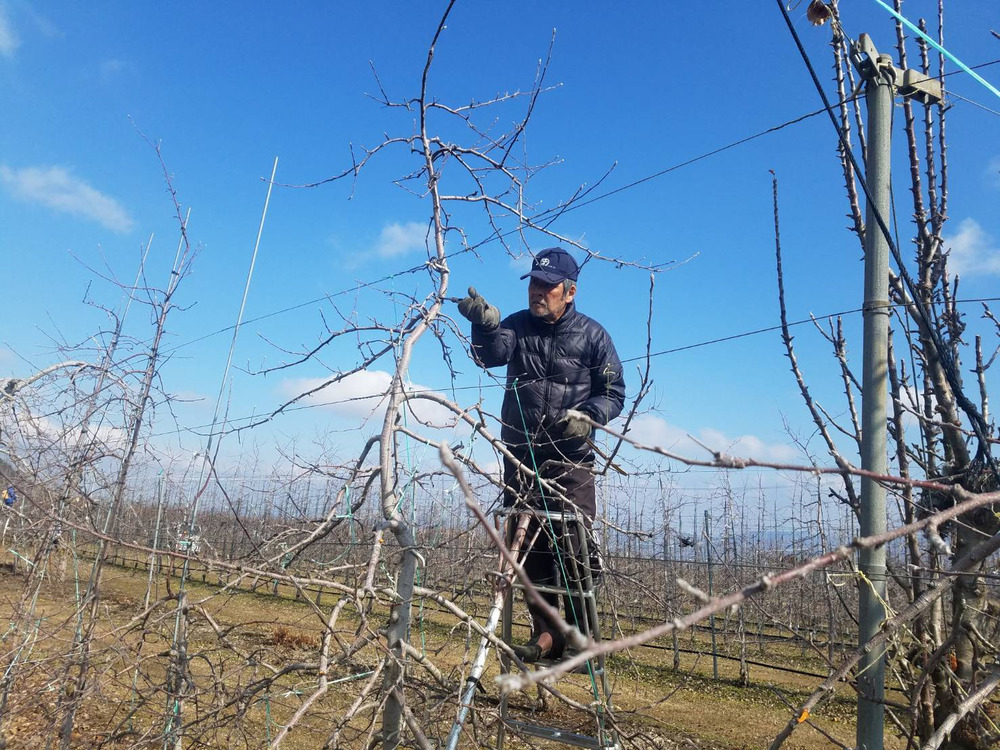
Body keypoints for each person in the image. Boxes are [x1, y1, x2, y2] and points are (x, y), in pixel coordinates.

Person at [458, 246, 626, 662]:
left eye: (547, 286)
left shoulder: (594, 336)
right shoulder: (517, 326)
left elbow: (613, 392)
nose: (537, 291)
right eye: (534, 282)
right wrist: (484, 326)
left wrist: (589, 417)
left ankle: (583, 640)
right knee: (529, 550)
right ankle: (546, 635)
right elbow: (490, 355)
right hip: (520, 458)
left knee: (575, 550)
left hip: (570, 460)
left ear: (570, 292)